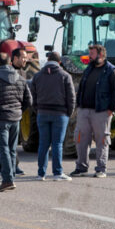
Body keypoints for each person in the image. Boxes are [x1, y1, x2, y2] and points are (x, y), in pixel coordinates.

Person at [0, 50, 32, 191]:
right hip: (15, 118)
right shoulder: (20, 78)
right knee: (12, 149)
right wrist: (18, 111)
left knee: (3, 149)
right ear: (10, 62)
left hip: (0, 118)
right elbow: (29, 100)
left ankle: (7, 180)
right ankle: (11, 178)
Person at [70, 43, 115, 178]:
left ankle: (101, 168)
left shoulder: (112, 71)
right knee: (80, 139)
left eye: (92, 54)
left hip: (101, 112)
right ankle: (81, 167)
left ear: (101, 55)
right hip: (84, 110)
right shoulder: (88, 69)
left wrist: (111, 109)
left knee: (102, 140)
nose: (89, 56)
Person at [29, 51, 75, 180]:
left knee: (43, 144)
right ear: (59, 62)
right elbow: (71, 97)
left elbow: (32, 95)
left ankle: (41, 174)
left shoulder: (37, 76)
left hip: (42, 113)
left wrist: (37, 110)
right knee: (57, 144)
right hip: (60, 114)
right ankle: (57, 173)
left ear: (47, 60)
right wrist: (68, 113)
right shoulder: (65, 75)